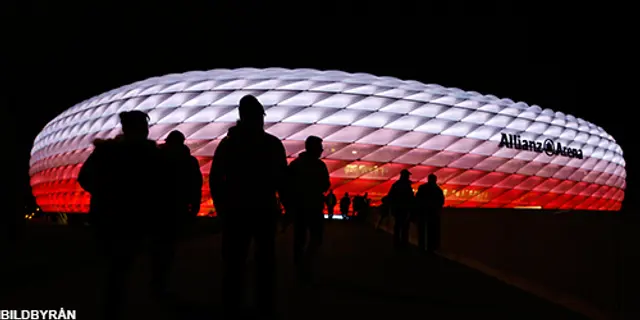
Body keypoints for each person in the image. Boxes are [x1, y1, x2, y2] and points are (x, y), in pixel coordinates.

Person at [77, 111, 163, 320]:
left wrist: (103, 194)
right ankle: (116, 306)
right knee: (122, 266)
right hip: (130, 218)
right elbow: (160, 186)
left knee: (115, 267)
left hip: (108, 217)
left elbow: (85, 178)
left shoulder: (105, 151)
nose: (145, 130)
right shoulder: (148, 154)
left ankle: (112, 306)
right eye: (143, 126)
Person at [209, 95, 288, 318]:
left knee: (235, 262)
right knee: (263, 261)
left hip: (236, 210)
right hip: (261, 209)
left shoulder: (229, 144)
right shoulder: (271, 144)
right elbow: (282, 179)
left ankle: (232, 305)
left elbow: (216, 179)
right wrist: (286, 206)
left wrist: (222, 207)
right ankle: (263, 306)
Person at [151, 130, 203, 298]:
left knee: (158, 244)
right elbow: (196, 183)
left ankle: (156, 281)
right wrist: (194, 205)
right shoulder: (188, 161)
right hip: (177, 207)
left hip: (158, 207)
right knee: (169, 245)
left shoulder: (157, 159)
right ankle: (163, 281)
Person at [284, 136, 331, 284]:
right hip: (314, 206)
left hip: (299, 207)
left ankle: (300, 266)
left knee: (300, 238)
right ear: (313, 148)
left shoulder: (295, 164)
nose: (322, 150)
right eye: (320, 147)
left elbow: (287, 186)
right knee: (316, 237)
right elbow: (325, 185)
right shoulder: (319, 166)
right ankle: (306, 264)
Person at [415, 174, 445, 253]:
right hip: (433, 214)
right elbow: (441, 202)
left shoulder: (422, 188)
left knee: (422, 231)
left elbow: (417, 199)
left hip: (423, 213)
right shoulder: (438, 190)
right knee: (432, 232)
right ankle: (431, 248)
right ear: (435, 180)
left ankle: (421, 248)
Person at [386, 169, 414, 248]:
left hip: (397, 209)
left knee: (398, 226)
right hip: (404, 209)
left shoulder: (396, 185)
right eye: (408, 175)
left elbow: (390, 196)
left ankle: (397, 243)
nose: (408, 177)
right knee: (404, 227)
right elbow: (410, 198)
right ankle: (403, 243)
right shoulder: (407, 186)